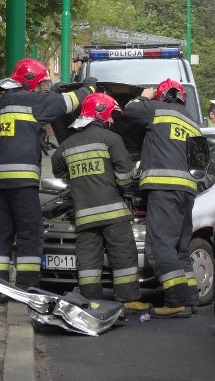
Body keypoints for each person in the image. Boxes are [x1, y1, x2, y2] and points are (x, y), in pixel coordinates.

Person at [0, 58, 96, 304]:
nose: (40, 89)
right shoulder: (32, 101)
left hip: (0, 179)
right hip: (22, 178)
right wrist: (88, 88)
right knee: (30, 232)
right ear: (29, 83)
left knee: (3, 232)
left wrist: (51, 91)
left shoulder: (0, 103)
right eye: (38, 84)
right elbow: (65, 104)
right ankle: (26, 288)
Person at [51, 93, 151, 313]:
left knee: (88, 261)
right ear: (101, 114)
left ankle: (90, 302)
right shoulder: (111, 139)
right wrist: (123, 184)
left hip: (84, 216)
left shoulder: (66, 146)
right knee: (123, 255)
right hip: (113, 213)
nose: (113, 120)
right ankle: (129, 300)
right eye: (111, 115)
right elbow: (125, 176)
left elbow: (60, 172)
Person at [123, 79, 200, 318]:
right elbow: (199, 162)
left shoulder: (156, 109)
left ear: (161, 96)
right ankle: (191, 297)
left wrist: (144, 96)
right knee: (180, 247)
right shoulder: (192, 123)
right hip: (187, 191)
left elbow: (130, 110)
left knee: (160, 246)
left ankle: (176, 301)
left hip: (164, 188)